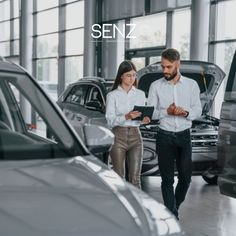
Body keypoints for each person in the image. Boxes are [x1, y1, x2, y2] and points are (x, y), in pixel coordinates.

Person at [147, 48, 202, 219]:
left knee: (186, 179)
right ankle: (172, 215)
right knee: (167, 180)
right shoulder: (155, 86)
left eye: (169, 67)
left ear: (178, 64)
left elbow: (198, 110)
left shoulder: (192, 85)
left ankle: (173, 208)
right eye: (163, 67)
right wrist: (167, 112)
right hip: (164, 136)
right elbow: (150, 113)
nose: (165, 71)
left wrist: (185, 113)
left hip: (184, 135)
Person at [105, 60, 150, 188]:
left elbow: (140, 118)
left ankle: (137, 207)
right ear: (121, 76)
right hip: (118, 137)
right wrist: (127, 116)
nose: (132, 78)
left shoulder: (140, 95)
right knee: (119, 179)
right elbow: (110, 120)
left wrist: (143, 121)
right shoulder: (112, 95)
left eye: (134, 75)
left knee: (135, 179)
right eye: (128, 75)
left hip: (136, 137)